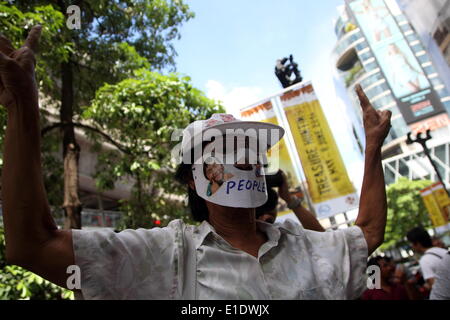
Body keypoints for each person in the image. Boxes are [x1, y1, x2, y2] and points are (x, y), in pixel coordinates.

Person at [1, 26, 392, 300]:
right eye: (222, 151)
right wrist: (23, 106)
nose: (242, 159)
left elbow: (368, 233)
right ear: (192, 180)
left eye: (250, 150)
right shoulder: (165, 255)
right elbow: (32, 246)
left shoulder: (302, 245)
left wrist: (372, 148)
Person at [256, 170, 325, 232]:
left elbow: (322, 237)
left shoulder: (285, 236)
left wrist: (289, 199)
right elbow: (322, 237)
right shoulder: (288, 236)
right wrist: (289, 199)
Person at [406, 227, 448, 291]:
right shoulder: (443, 251)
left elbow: (436, 288)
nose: (411, 246)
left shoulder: (425, 261)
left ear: (417, 244)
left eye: (411, 243)